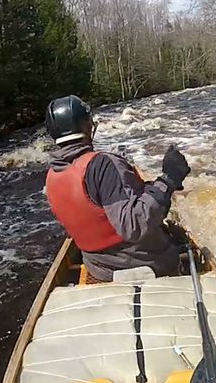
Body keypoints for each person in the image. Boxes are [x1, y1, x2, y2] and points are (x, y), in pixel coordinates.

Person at [44, 95, 191, 282]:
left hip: (99, 268)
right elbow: (133, 226)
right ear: (87, 126)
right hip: (146, 262)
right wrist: (168, 180)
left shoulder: (53, 175)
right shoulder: (103, 165)